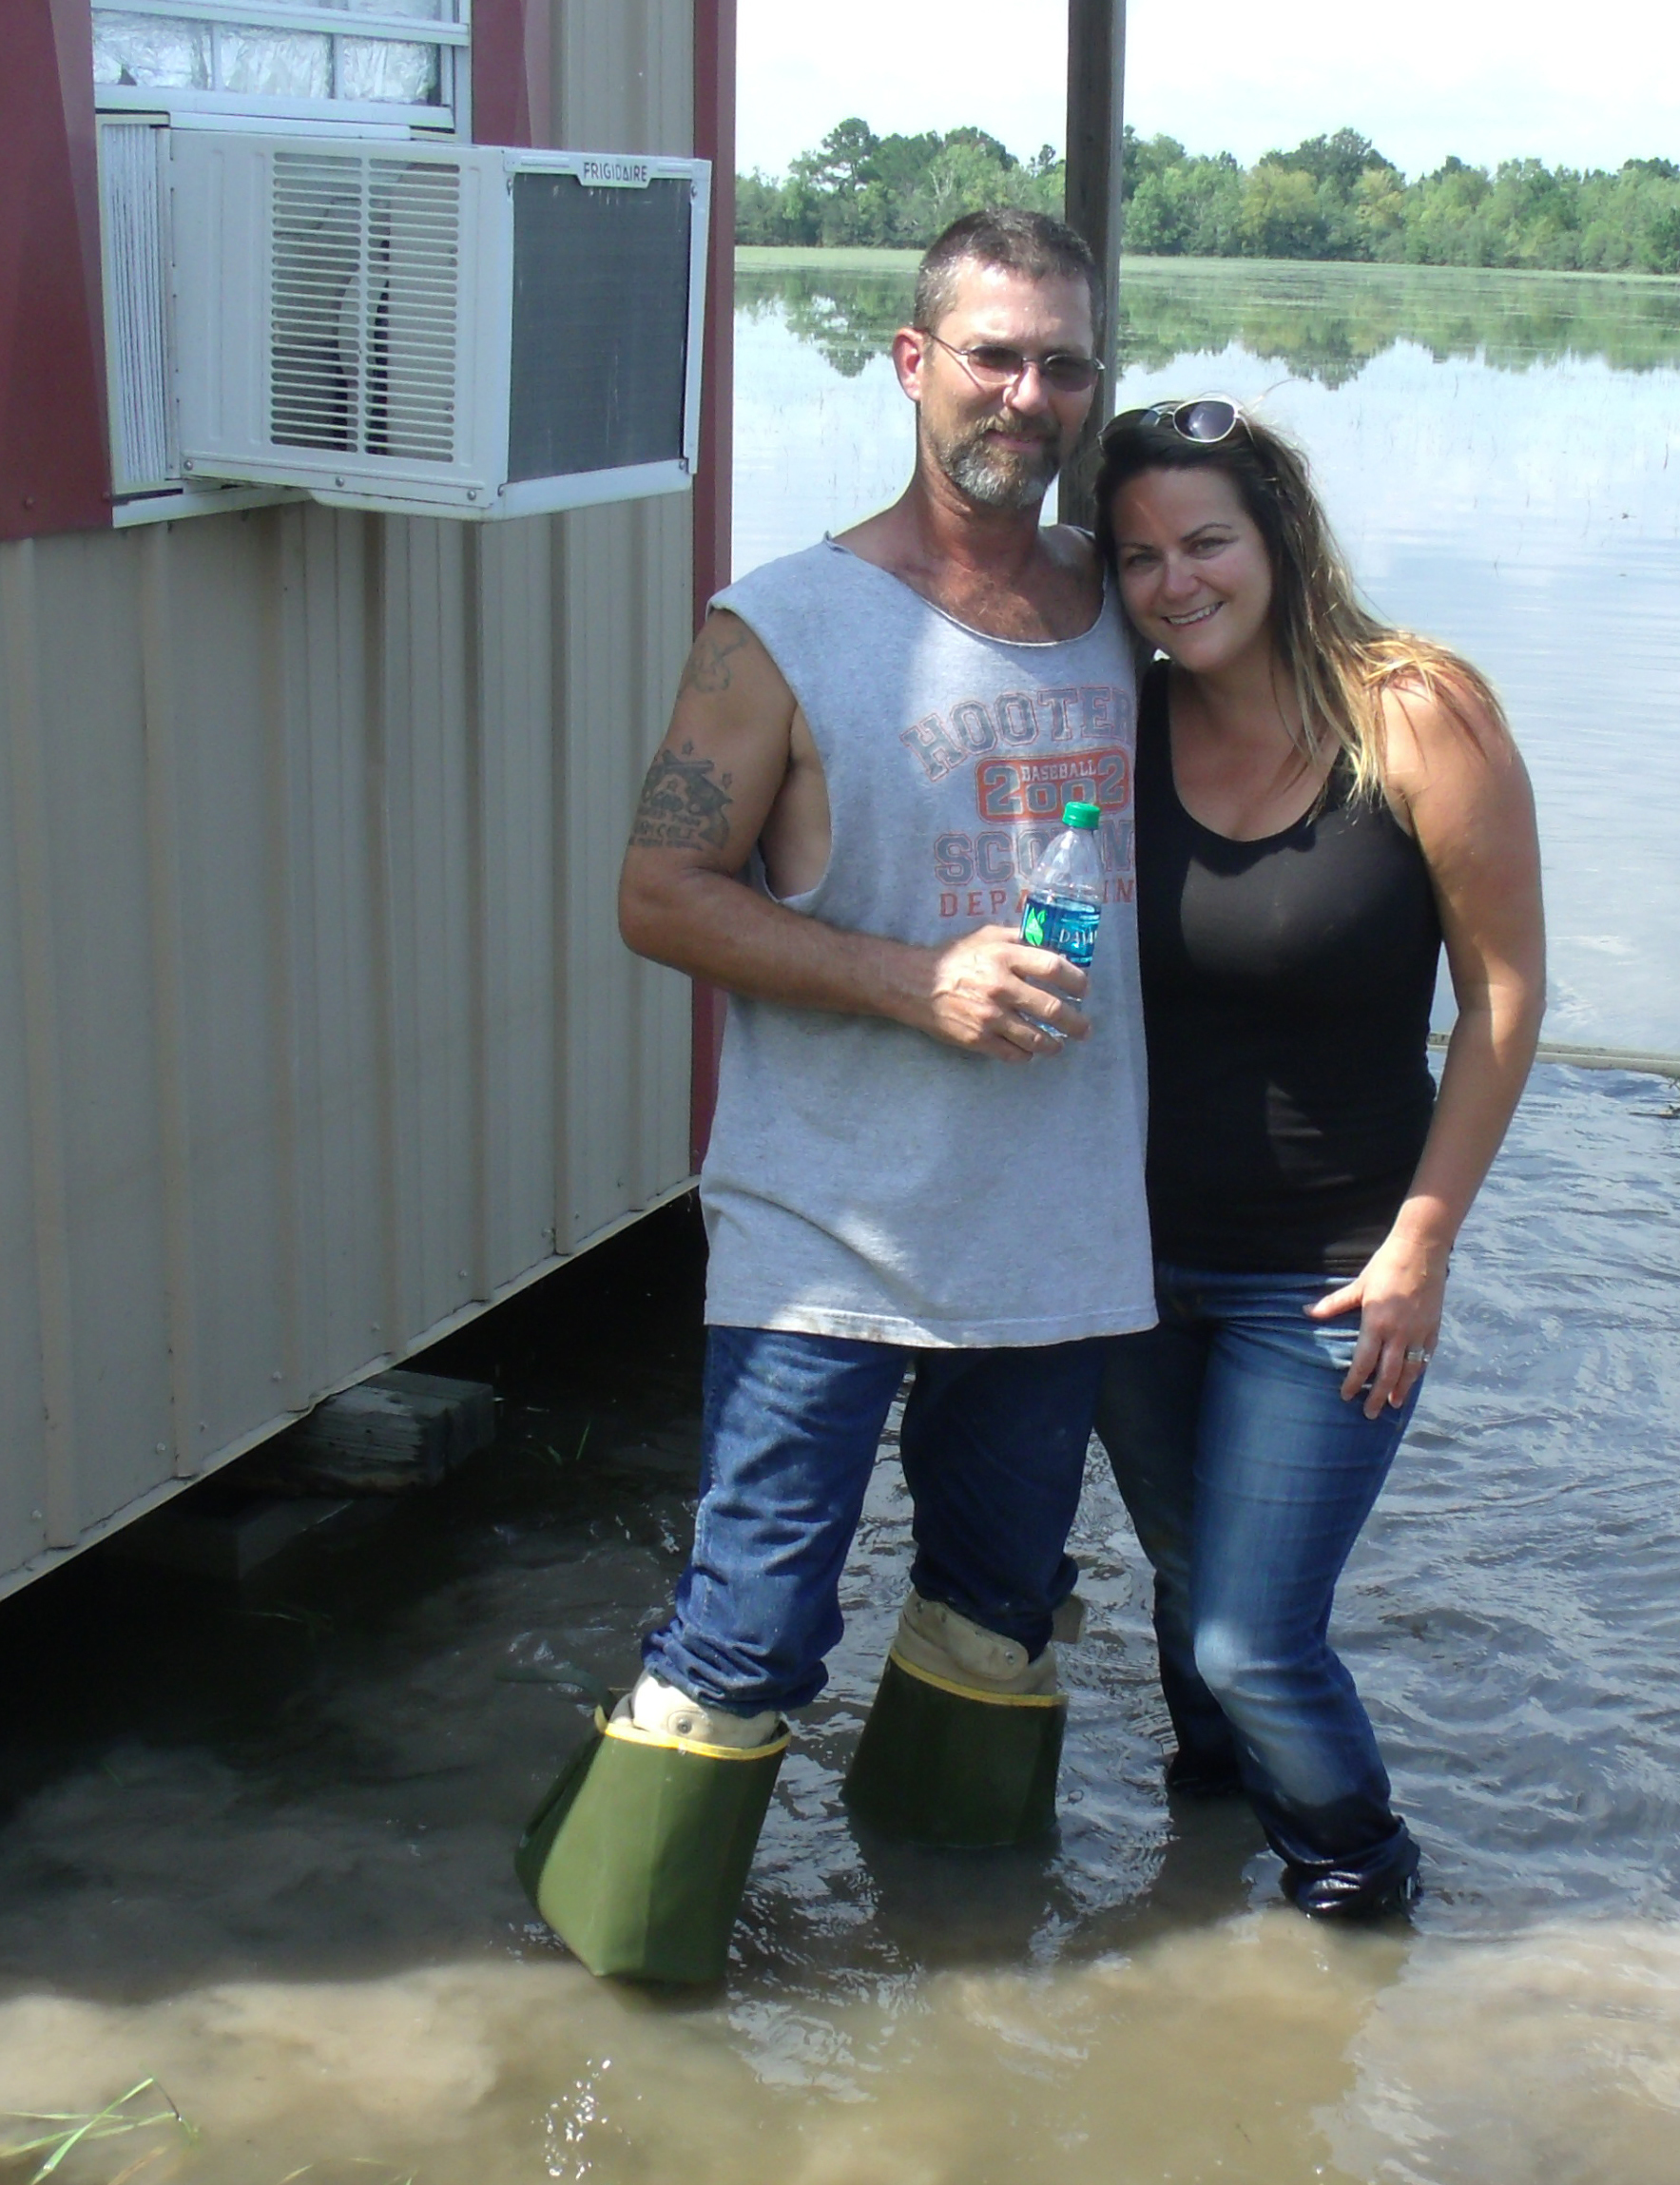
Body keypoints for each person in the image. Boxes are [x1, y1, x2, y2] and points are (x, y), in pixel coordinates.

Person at [519, 209, 1147, 1978]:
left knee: (1001, 1615)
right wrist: (911, 977)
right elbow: (658, 896)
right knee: (751, 1628)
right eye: (993, 356)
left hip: (1058, 1230)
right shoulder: (776, 626)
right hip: (825, 1232)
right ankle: (608, 1992)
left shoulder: (1139, 607)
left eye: (1064, 363)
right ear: (911, 363)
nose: (1027, 394)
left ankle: (951, 1958)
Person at [1091, 397, 1547, 1920]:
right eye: (1141, 554)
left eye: (1207, 540)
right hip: (1124, 1264)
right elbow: (1054, 926)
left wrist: (1423, 1242)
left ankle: (1361, 1883)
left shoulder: (1414, 713)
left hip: (1333, 1274)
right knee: (1181, 1598)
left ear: (1278, 537)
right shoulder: (1119, 717)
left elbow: (1502, 993)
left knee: (1250, 1637)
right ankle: (1203, 1878)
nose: (1176, 582)